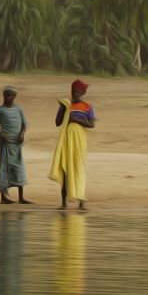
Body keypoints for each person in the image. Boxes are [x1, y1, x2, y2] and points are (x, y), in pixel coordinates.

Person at [49, 79, 95, 210]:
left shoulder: (87, 107)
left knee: (78, 168)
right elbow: (58, 123)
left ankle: (81, 202)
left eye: (79, 91)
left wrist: (75, 119)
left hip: (79, 141)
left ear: (83, 93)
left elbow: (91, 124)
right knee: (65, 169)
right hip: (66, 141)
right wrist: (63, 109)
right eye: (74, 91)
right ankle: (64, 203)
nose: (76, 93)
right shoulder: (66, 104)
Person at [0, 86, 30, 204]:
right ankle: (3, 197)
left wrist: (22, 135)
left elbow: (24, 124)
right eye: (7, 95)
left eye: (11, 95)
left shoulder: (19, 109)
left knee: (19, 167)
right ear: (3, 95)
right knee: (4, 168)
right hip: (5, 144)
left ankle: (21, 197)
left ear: (14, 96)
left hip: (16, 144)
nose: (8, 97)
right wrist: (2, 134)